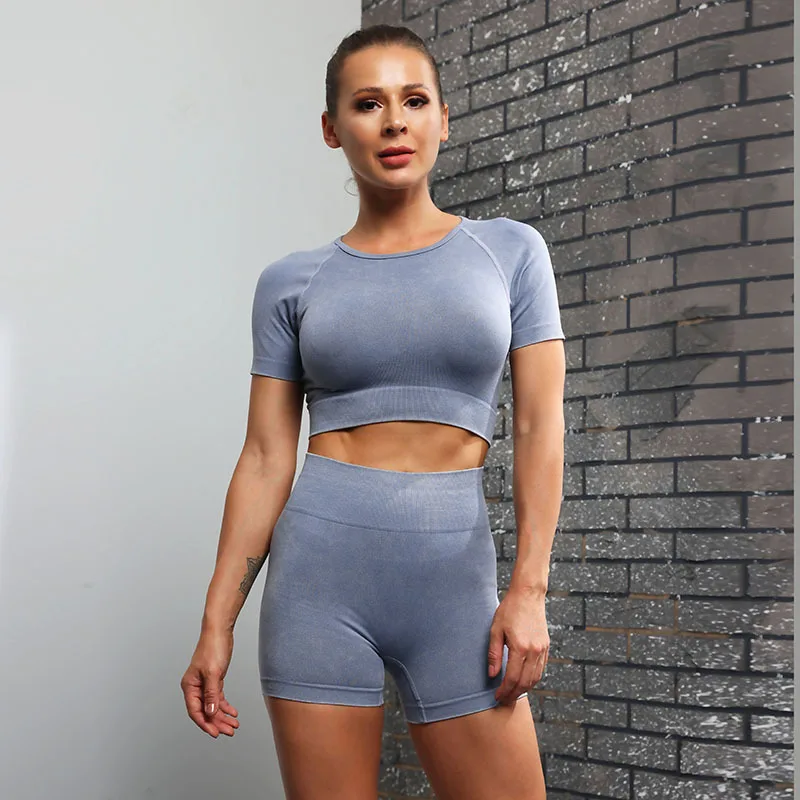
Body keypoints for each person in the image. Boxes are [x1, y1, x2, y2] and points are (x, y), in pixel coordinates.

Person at [180, 23, 566, 800]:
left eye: (414, 100)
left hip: (454, 582)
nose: (394, 122)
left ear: (443, 119)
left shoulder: (511, 252)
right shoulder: (291, 282)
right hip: (319, 582)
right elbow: (265, 457)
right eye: (368, 104)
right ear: (332, 129)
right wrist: (216, 623)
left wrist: (529, 590)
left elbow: (538, 427)